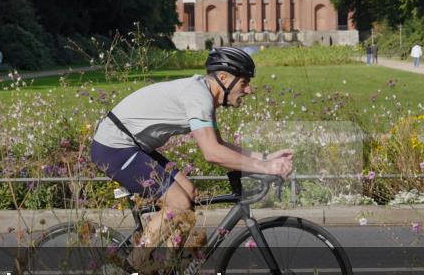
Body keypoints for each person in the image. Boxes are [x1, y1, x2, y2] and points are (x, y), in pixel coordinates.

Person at [90, 47, 293, 261]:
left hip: (134, 145)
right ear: (223, 78)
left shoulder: (203, 94)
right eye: (244, 82)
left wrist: (264, 158)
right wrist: (267, 168)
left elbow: (219, 144)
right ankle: (132, 271)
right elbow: (212, 153)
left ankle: (165, 273)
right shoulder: (199, 98)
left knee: (189, 193)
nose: (249, 90)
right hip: (114, 147)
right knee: (178, 203)